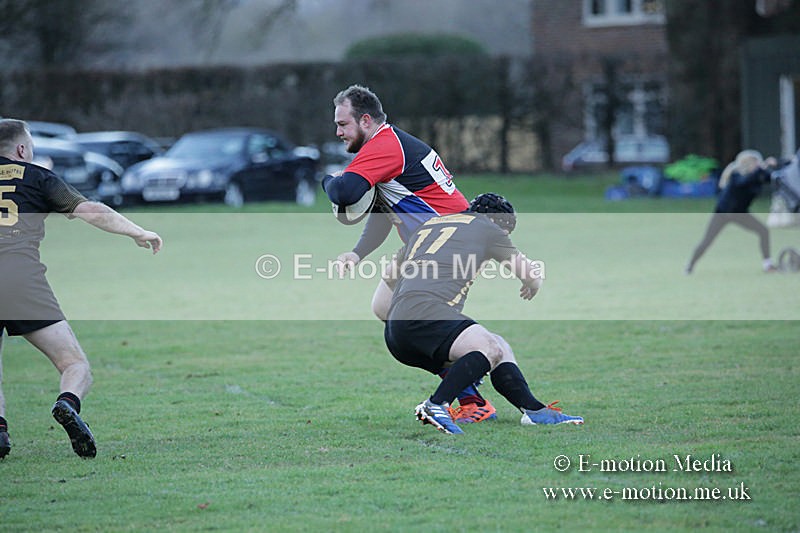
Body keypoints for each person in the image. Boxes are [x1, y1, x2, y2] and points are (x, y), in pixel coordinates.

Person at [321, 84, 496, 424]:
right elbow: (384, 212)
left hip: (448, 246)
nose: (338, 132)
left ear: (366, 120)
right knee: (384, 308)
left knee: (420, 331)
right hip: (436, 244)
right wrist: (358, 254)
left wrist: (326, 178)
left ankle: (476, 391)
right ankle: (470, 385)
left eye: (343, 124)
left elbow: (344, 190)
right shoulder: (388, 146)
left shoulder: (386, 146)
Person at [0, 119, 162, 459]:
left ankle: (0, 432)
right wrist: (137, 231)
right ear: (21, 150)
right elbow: (90, 210)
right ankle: (67, 402)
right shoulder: (37, 177)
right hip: (20, 279)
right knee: (74, 364)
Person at [383, 193, 584, 434]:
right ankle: (436, 405)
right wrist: (533, 284)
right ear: (500, 223)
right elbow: (530, 274)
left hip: (396, 330)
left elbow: (386, 282)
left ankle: (534, 411)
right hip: (426, 315)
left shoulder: (429, 227)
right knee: (489, 348)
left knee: (500, 346)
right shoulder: (488, 228)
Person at [685, 149, 778, 274]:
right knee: (707, 241)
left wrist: (776, 164)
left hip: (741, 213)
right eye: (756, 162)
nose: (758, 165)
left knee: (763, 231)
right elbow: (744, 182)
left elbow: (770, 177)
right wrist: (761, 168)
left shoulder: (756, 176)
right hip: (724, 213)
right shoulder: (736, 176)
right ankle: (689, 266)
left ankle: (768, 265)